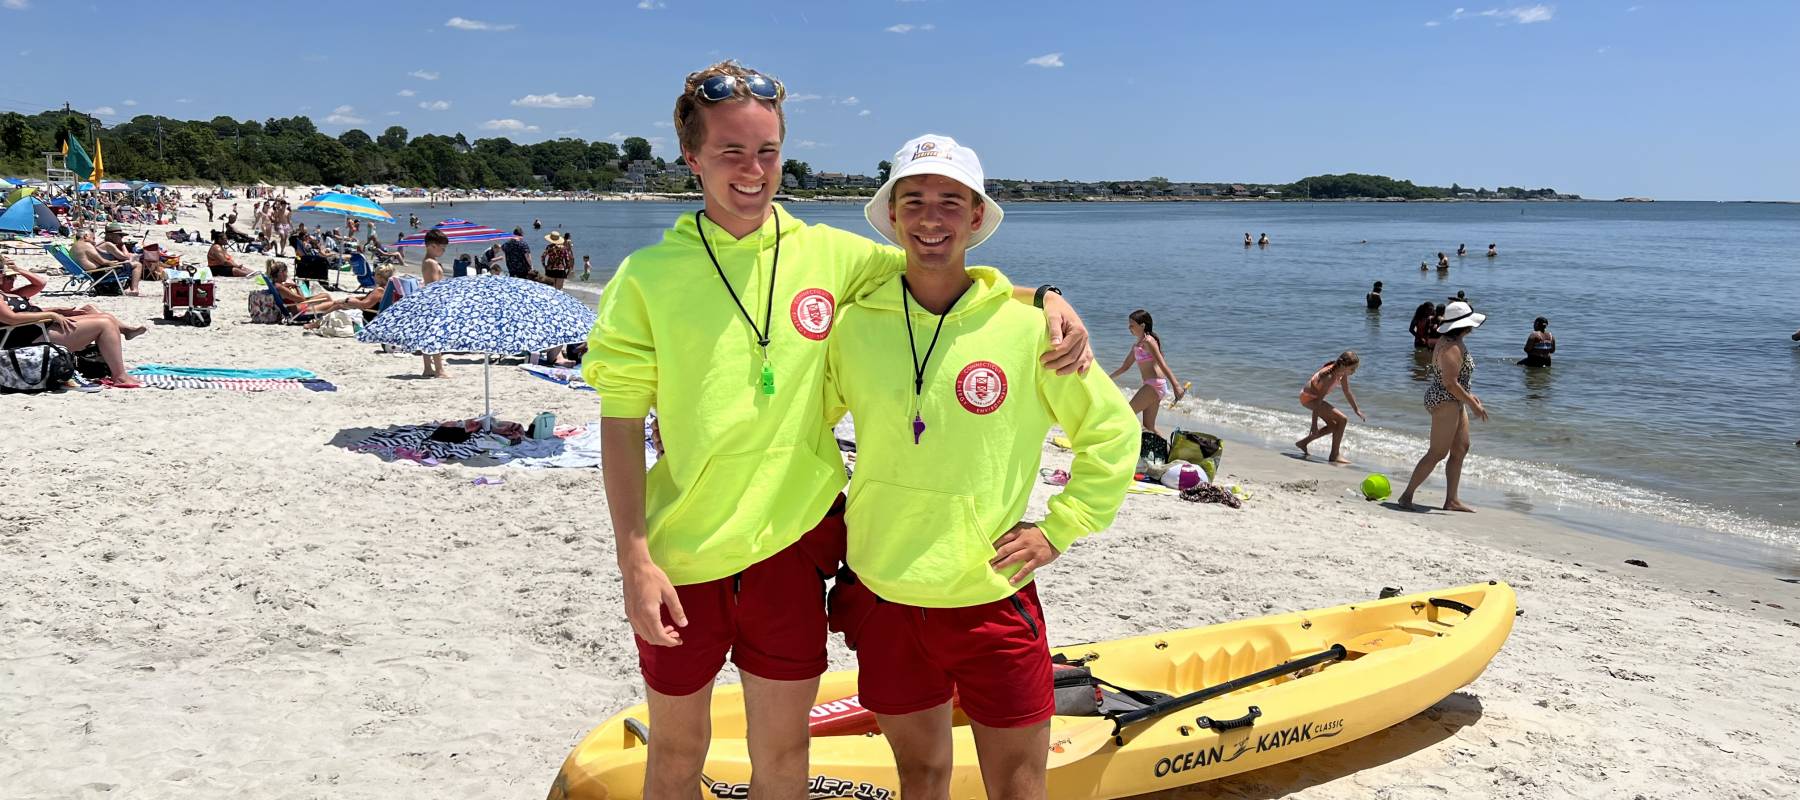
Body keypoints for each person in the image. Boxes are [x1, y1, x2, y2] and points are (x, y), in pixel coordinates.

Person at [581, 60, 1091, 800]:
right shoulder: (647, 277)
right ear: (691, 158)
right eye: (730, 152)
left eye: (767, 152)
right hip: (682, 551)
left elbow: (936, 269)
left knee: (784, 760)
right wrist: (634, 560)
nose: (752, 172)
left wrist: (1042, 296)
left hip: (793, 549)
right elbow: (621, 422)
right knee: (676, 755)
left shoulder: (832, 253)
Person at [822, 133, 1137, 800]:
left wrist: (1059, 527)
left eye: (949, 201)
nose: (931, 217)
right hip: (884, 592)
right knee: (922, 777)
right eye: (914, 201)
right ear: (894, 216)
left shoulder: (1031, 331)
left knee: (1018, 787)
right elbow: (802, 427)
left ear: (975, 218)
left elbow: (1111, 433)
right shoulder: (852, 325)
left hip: (990, 595)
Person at [1397, 301, 1488, 512]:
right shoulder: (1451, 346)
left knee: (1461, 448)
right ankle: (1407, 495)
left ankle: (1452, 500)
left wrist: (1469, 397)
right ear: (1464, 326)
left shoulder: (1453, 340)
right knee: (1438, 452)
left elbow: (1456, 381)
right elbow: (1449, 382)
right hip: (1445, 399)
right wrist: (1472, 403)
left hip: (1454, 398)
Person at [0, 293, 140, 388]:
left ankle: (115, 366)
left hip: (36, 328)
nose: (5, 275)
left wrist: (57, 310)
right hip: (26, 338)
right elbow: (10, 318)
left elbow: (23, 310)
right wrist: (51, 314)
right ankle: (119, 376)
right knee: (104, 324)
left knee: (104, 317)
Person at [1107, 309, 1185, 433]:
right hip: (1154, 386)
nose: (1129, 328)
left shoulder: (1149, 341)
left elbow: (1162, 363)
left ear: (1142, 325)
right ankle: (1168, 450)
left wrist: (1176, 386)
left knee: (1126, 414)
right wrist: (1107, 378)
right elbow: (1125, 367)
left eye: (1132, 325)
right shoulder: (1137, 345)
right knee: (1149, 427)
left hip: (1154, 385)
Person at [1294, 351, 1366, 464]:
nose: (1354, 372)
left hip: (1311, 397)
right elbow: (1318, 401)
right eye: (1352, 369)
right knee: (1343, 420)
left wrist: (1356, 409)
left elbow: (1347, 391)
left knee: (1334, 426)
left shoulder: (1341, 372)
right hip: (1309, 398)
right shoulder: (1330, 377)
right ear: (1344, 365)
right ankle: (1334, 455)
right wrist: (1314, 424)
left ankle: (1303, 443)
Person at [71, 228, 142, 296]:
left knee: (126, 264)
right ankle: (134, 290)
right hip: (99, 273)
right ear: (86, 236)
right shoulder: (87, 245)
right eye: (93, 238)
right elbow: (102, 262)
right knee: (137, 265)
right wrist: (115, 263)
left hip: (88, 273)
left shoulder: (73, 247)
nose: (94, 241)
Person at [420, 229, 448, 378]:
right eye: (442, 248)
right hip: (433, 302)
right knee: (435, 336)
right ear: (432, 246)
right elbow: (434, 286)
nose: (444, 251)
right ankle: (439, 369)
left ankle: (428, 368)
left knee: (429, 335)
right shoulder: (431, 263)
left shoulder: (428, 261)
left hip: (428, 302)